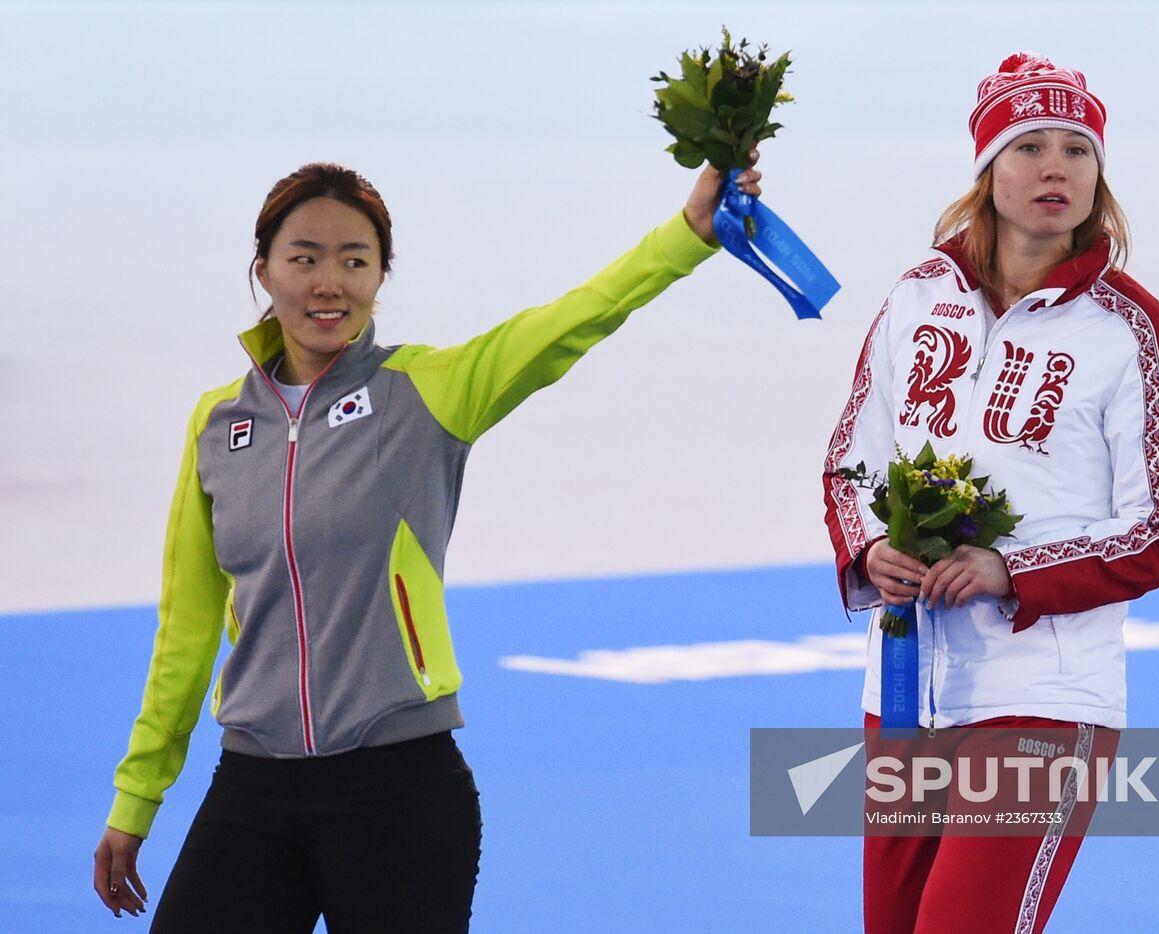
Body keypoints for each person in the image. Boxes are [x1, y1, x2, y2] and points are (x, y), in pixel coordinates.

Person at [93, 155, 761, 932]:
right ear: (263, 271)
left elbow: (574, 319)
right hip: (251, 787)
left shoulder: (424, 393)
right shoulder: (218, 426)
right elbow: (187, 630)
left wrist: (689, 234)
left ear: (381, 276)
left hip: (398, 793)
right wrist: (137, 797)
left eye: (355, 260)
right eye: (304, 258)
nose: (328, 283)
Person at [822, 52, 1159, 933]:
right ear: (987, 170)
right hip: (907, 688)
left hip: (1044, 693)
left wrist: (1009, 570)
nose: (1055, 166)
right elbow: (851, 459)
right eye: (1028, 145)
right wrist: (869, 549)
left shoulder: (1133, 331)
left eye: (1077, 147)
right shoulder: (918, 298)